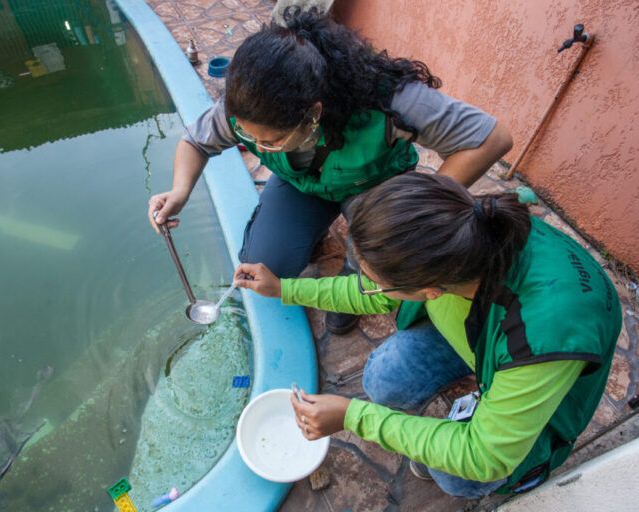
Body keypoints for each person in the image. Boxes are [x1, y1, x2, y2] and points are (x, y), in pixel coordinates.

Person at [233, 172, 621, 498]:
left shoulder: (544, 335)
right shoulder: (460, 234)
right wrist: (283, 289)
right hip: (483, 331)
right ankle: (482, 395)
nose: (367, 285)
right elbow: (372, 295)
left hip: (535, 364)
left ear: (430, 290)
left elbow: (485, 455)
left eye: (378, 280)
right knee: (382, 378)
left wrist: (354, 416)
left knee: (459, 475)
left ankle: (498, 413)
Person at [148, 9, 512, 335]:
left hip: (374, 187)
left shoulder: (393, 102)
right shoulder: (247, 106)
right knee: (265, 262)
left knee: (379, 258)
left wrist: (416, 207)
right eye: (247, 136)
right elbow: (196, 142)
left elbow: (493, 138)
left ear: (313, 114)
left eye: (272, 140)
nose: (258, 144)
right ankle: (314, 230)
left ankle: (356, 277)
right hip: (301, 185)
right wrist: (180, 192)